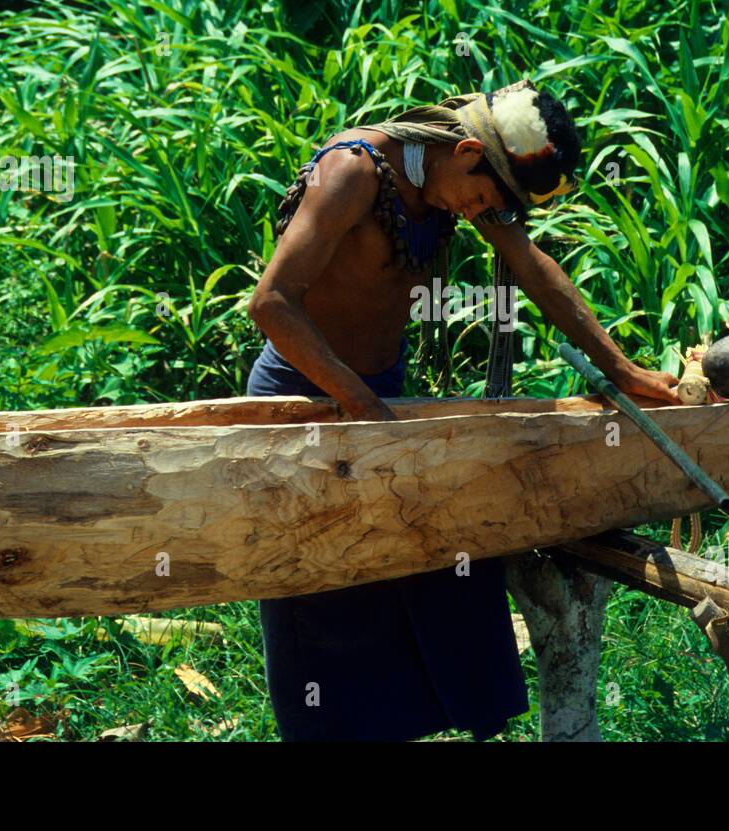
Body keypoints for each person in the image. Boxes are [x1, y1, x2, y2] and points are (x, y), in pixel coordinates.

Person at [245, 79, 683, 741]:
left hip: (381, 398)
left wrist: (620, 369)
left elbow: (533, 270)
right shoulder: (351, 172)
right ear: (469, 150)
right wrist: (359, 403)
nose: (484, 214)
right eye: (484, 199)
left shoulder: (456, 178)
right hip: (300, 399)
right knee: (323, 589)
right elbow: (272, 304)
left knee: (443, 552)